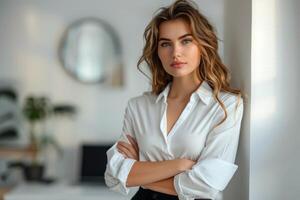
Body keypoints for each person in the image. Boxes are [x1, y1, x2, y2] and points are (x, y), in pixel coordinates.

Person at [104, 0, 244, 199]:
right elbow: (113, 175)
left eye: (186, 40)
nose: (175, 52)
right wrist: (179, 165)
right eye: (165, 44)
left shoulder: (226, 105)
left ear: (203, 45)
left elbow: (207, 185)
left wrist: (139, 172)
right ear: (157, 52)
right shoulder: (138, 106)